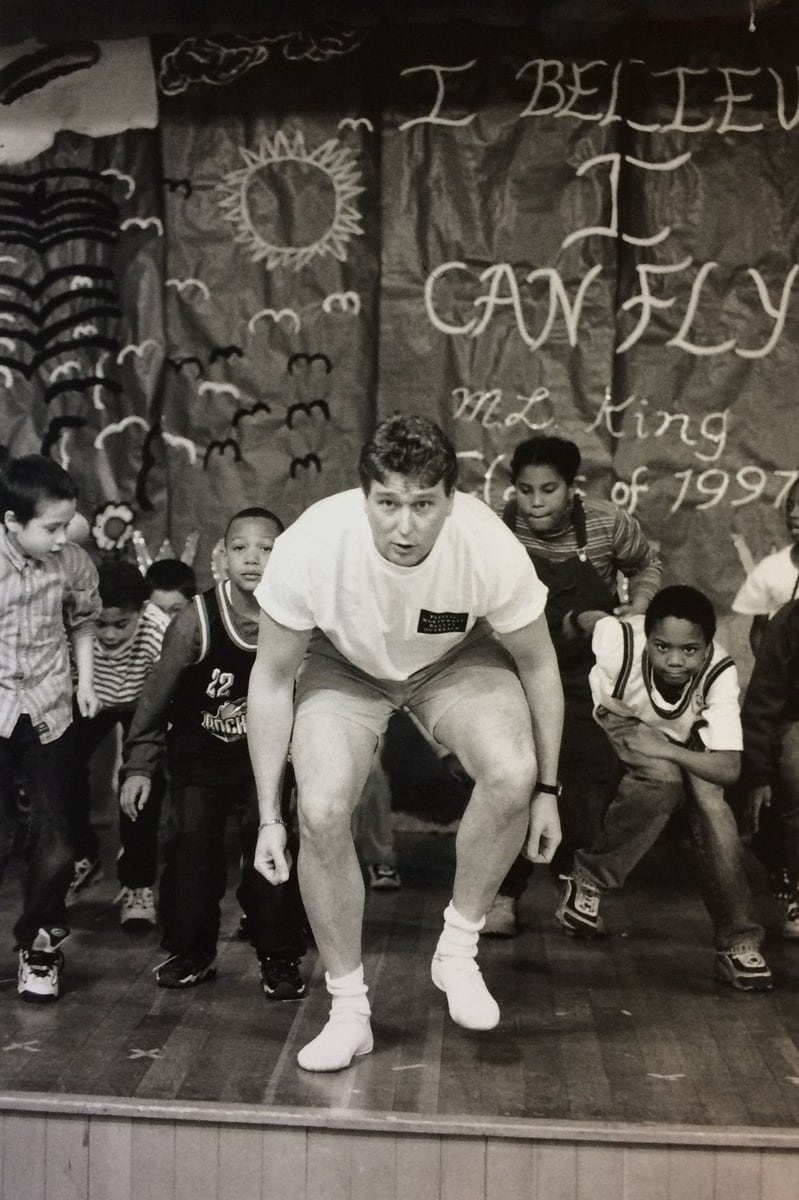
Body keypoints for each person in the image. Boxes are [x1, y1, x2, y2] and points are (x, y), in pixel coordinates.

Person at [248, 413, 564, 1072]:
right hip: (344, 666)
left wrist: (547, 792)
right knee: (324, 811)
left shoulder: (487, 545)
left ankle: (457, 948)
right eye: (387, 504)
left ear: (452, 499)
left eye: (423, 505)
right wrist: (269, 818)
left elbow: (537, 665)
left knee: (511, 769)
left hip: (451, 657)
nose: (404, 525)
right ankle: (349, 1011)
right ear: (362, 496)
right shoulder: (311, 546)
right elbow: (274, 678)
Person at [119, 507, 308, 1000]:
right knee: (192, 847)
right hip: (199, 754)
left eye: (266, 548)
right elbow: (155, 697)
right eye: (241, 548)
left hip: (263, 757)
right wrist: (139, 763)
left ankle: (280, 956)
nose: (253, 558)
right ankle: (192, 951)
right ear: (222, 557)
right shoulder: (195, 619)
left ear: (285, 556)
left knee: (270, 846)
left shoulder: (298, 616)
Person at [483, 434, 661, 936]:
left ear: (571, 489)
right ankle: (502, 891)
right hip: (517, 667)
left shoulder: (606, 523)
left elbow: (646, 563)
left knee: (586, 776)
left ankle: (576, 887)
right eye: (525, 490)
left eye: (549, 490)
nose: (536, 502)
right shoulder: (497, 529)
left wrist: (639, 606)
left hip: (587, 673)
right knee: (516, 775)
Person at [556, 585, 774, 992]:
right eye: (662, 647)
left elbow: (729, 768)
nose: (674, 660)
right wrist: (570, 624)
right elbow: (593, 621)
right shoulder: (620, 641)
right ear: (647, 639)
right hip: (622, 719)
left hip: (682, 740)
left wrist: (667, 750)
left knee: (712, 806)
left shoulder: (720, 673)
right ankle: (587, 880)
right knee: (662, 779)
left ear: (708, 646)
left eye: (689, 650)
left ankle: (738, 943)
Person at [0, 454, 100, 1002]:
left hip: (49, 708)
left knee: (58, 837)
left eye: (68, 525)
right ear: (12, 522)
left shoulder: (72, 562)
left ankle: (38, 945)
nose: (64, 537)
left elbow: (83, 619)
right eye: (52, 528)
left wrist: (85, 682)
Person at [66, 559, 174, 926]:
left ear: (141, 612)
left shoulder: (159, 629)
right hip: (89, 697)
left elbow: (161, 698)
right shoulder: (74, 622)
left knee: (142, 789)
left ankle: (138, 884)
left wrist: (140, 762)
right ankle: (84, 855)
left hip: (142, 705)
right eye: (101, 624)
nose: (109, 634)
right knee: (59, 771)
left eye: (120, 624)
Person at [740, 598, 799, 938]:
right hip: (794, 721)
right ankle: (792, 879)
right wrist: (757, 775)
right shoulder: (790, 622)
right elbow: (761, 703)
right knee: (795, 766)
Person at [732, 478, 799, 652]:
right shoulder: (770, 570)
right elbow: (759, 630)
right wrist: (771, 672)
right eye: (790, 506)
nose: (793, 514)